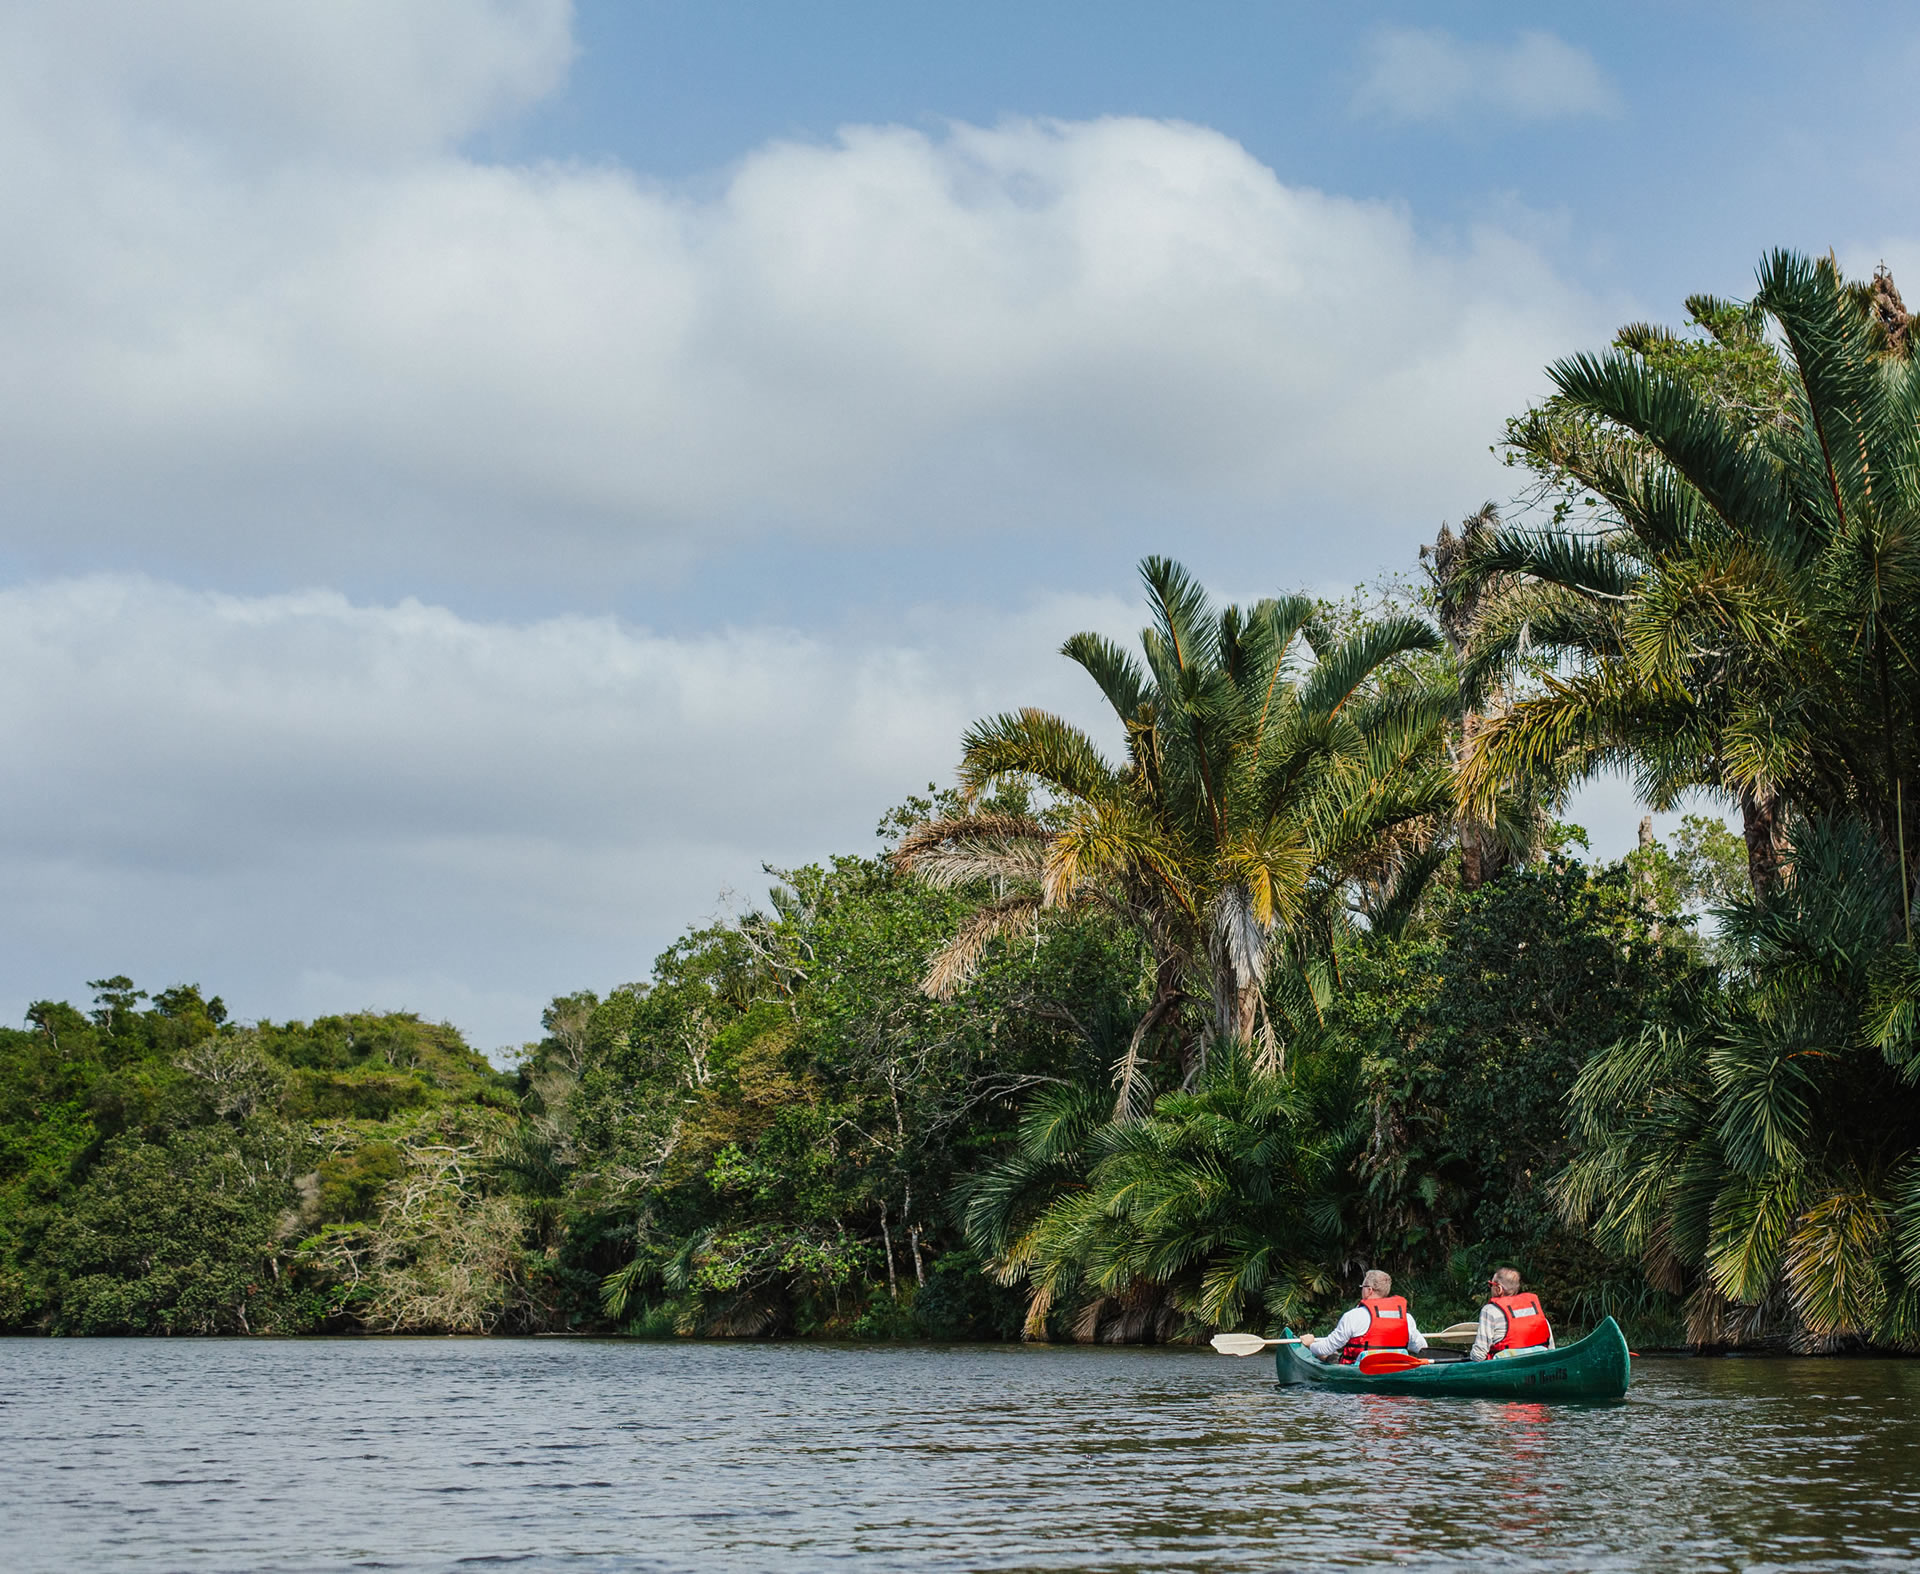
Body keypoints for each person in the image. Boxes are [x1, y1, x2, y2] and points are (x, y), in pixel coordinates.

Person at [1299, 1269, 1428, 1363]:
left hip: (1361, 1369)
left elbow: (1325, 1347)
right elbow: (1422, 1347)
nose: (1362, 1289)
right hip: (1395, 1367)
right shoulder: (1406, 1318)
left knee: (1328, 1354)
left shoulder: (1353, 1316)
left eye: (1362, 1287)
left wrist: (1310, 1344)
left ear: (1369, 1290)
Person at [1470, 1267, 1554, 1360]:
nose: (1490, 1287)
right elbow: (1551, 1348)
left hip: (1503, 1368)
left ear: (1499, 1289)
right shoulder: (1534, 1309)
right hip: (1538, 1362)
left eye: (1491, 1284)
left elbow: (1479, 1355)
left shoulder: (1490, 1311)